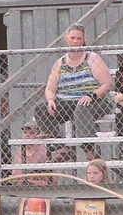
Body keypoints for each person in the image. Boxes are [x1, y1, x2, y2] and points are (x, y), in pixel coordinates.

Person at [36, 24, 112, 159]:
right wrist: (51, 100)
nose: (75, 41)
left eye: (79, 38)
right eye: (72, 38)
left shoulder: (92, 58)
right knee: (40, 109)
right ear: (67, 39)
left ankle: (89, 150)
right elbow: (50, 88)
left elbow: (107, 84)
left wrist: (92, 95)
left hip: (92, 101)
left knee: (81, 108)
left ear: (83, 40)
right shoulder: (60, 62)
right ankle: (62, 148)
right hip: (66, 101)